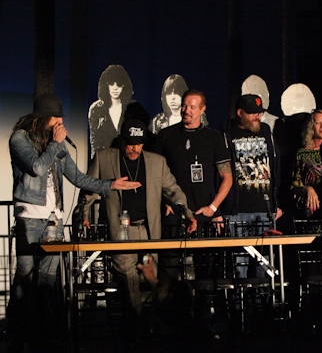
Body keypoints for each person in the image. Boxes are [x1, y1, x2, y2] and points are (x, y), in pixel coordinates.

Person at [7, 93, 140, 353]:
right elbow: (36, 167)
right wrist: (55, 144)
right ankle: (16, 338)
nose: (60, 123)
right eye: (56, 118)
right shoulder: (20, 138)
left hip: (53, 220)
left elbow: (78, 178)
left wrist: (109, 185)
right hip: (29, 218)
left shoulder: (56, 145)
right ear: (43, 118)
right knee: (24, 277)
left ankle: (42, 338)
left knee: (47, 281)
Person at [82, 119, 195, 317]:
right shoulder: (104, 158)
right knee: (129, 281)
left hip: (148, 231)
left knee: (149, 278)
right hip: (121, 231)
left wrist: (185, 212)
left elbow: (173, 190)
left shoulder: (156, 162)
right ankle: (138, 325)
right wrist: (83, 216)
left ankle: (152, 324)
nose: (135, 148)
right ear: (121, 140)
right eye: (130, 143)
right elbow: (88, 191)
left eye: (139, 143)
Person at [154, 89, 232, 280]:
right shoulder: (165, 135)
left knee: (207, 278)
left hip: (203, 215)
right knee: (169, 274)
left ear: (202, 109)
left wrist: (213, 208)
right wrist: (163, 202)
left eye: (192, 107)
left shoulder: (214, 138)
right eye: (184, 105)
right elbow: (154, 175)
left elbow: (227, 177)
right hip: (174, 215)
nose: (186, 110)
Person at [221, 94, 282, 278]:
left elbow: (276, 167)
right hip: (237, 211)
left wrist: (277, 203)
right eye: (253, 113)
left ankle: (264, 298)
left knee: (265, 266)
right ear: (240, 113)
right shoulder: (225, 133)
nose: (258, 116)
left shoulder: (266, 131)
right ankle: (240, 298)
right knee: (239, 267)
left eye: (260, 113)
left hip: (265, 211)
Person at [88, 64, 135, 159]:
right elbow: (94, 144)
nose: (115, 87)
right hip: (104, 160)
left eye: (119, 84)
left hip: (127, 160)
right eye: (111, 83)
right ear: (106, 85)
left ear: (124, 85)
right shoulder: (96, 109)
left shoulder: (133, 107)